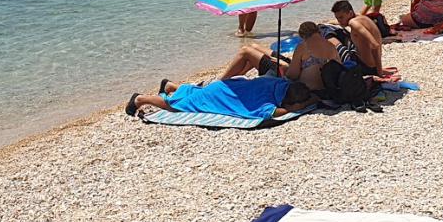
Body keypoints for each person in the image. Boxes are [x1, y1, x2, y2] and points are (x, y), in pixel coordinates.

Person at [219, 21, 340, 92]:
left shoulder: (303, 47)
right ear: (318, 32)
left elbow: (291, 76)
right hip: (316, 82)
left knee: (246, 51)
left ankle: (220, 82)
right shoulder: (331, 46)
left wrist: (282, 65)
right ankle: (238, 76)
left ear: (303, 36)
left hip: (298, 84)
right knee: (254, 46)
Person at [126, 75, 314, 120]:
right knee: (177, 106)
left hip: (224, 86)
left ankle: (170, 86)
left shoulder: (276, 82)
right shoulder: (266, 102)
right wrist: (299, 106)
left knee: (200, 94)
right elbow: (274, 113)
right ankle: (140, 99)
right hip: (220, 96)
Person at [328, 0, 394, 78]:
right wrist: (333, 22)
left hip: (365, 67)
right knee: (336, 32)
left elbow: (375, 45)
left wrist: (379, 71)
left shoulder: (353, 23)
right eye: (337, 18)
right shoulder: (362, 18)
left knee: (328, 33)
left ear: (350, 13)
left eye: (341, 17)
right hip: (371, 65)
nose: (339, 20)